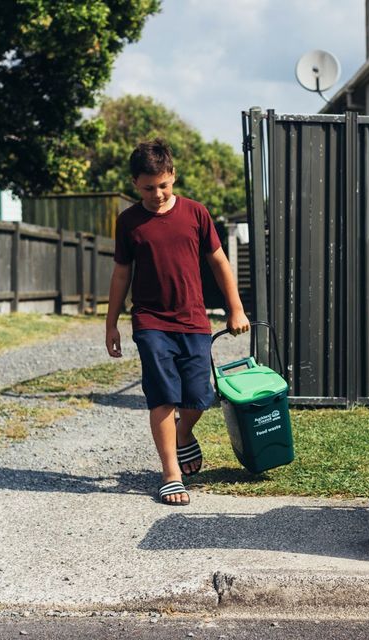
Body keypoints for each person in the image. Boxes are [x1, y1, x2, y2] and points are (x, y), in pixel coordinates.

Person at [105, 139, 249, 506]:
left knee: (199, 397)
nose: (156, 194)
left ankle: (184, 434)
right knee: (163, 394)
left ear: (173, 176)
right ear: (135, 184)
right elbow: (121, 274)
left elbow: (219, 262)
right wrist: (111, 324)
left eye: (163, 185)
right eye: (148, 188)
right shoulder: (129, 222)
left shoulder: (196, 214)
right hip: (150, 321)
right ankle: (171, 473)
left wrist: (236, 307)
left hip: (193, 319)